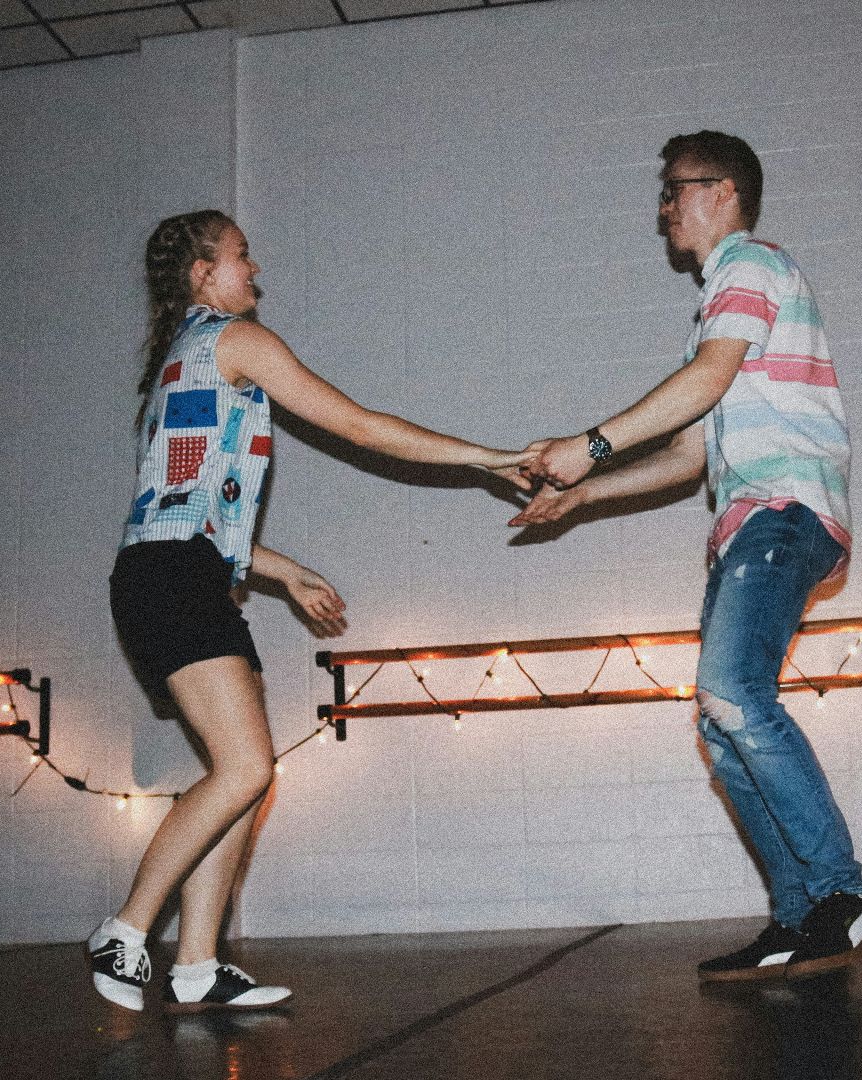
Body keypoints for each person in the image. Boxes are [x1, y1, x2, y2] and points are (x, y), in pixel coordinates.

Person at [92, 210, 530, 1012]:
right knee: (248, 768)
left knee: (243, 773)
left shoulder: (179, 358)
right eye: (240, 256)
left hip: (174, 571)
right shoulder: (236, 340)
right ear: (202, 273)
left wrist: (284, 572)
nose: (254, 269)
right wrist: (484, 457)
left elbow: (189, 511)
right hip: (173, 579)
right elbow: (360, 425)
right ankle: (125, 930)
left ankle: (196, 963)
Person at [512, 132, 862, 981]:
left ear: (722, 193)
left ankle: (843, 892)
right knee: (722, 730)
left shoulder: (749, 266)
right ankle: (798, 916)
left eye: (674, 191)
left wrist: (590, 444)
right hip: (750, 526)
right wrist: (582, 492)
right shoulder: (720, 309)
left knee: (732, 693)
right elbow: (688, 455)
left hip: (783, 513)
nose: (663, 209)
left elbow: (706, 383)